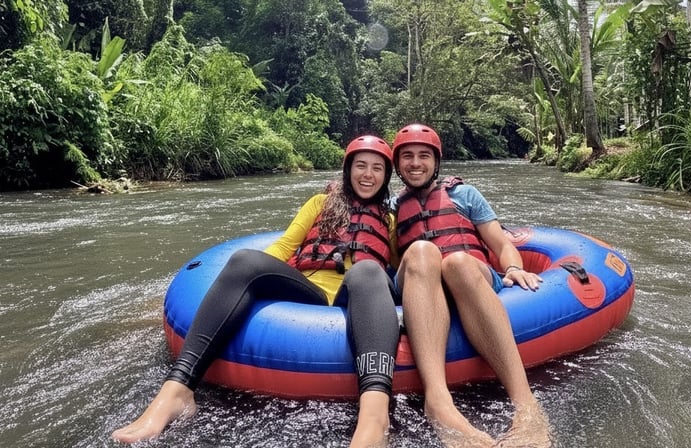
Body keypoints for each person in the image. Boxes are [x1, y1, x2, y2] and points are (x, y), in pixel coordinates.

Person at [112, 135, 401, 447]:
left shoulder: (390, 221)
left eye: (377, 168)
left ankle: (375, 420)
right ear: (348, 170)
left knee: (368, 270)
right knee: (245, 260)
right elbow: (283, 247)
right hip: (308, 294)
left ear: (386, 176)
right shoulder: (320, 204)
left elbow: (401, 273)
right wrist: (234, 281)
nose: (368, 174)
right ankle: (177, 391)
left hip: (356, 298)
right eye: (360, 166)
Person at [391, 123, 551, 447]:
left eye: (424, 155)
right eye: (407, 156)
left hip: (470, 275)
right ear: (397, 165)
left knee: (458, 262)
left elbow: (502, 244)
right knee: (422, 251)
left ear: (436, 161)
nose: (415, 163)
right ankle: (439, 403)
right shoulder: (392, 208)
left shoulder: (464, 194)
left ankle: (526, 406)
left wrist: (514, 268)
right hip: (421, 283)